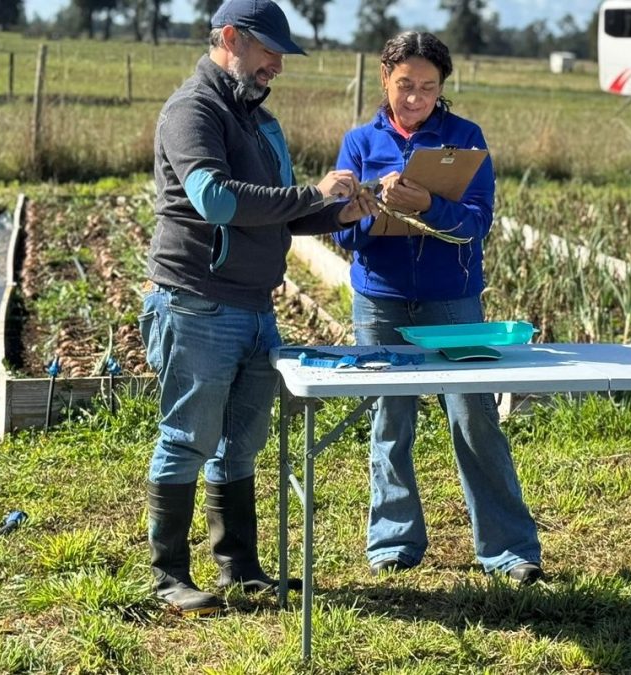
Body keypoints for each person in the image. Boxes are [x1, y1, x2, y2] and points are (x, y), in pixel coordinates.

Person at [140, 0, 377, 616]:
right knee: (187, 438)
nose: (277, 63)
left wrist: (337, 212)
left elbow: (283, 210)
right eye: (267, 50)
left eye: (280, 53)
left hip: (254, 307)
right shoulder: (193, 111)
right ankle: (168, 578)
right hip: (196, 304)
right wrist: (310, 192)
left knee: (240, 445)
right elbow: (214, 200)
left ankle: (240, 569)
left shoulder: (259, 121)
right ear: (228, 38)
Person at [332, 32, 543, 585]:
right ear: (384, 78)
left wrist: (429, 204)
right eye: (405, 85)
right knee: (389, 418)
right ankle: (393, 542)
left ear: (442, 87)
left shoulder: (465, 139)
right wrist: (363, 208)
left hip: (453, 298)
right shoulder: (358, 142)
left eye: (428, 87)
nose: (415, 97)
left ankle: (507, 549)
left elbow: (477, 223)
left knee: (474, 416)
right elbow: (344, 236)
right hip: (380, 299)